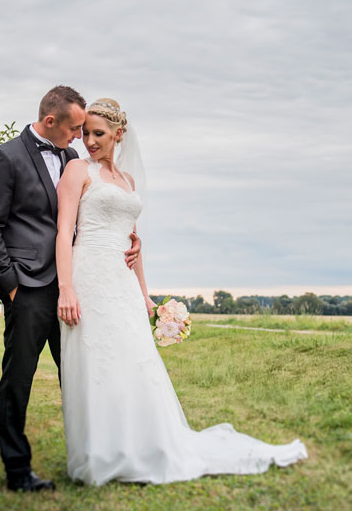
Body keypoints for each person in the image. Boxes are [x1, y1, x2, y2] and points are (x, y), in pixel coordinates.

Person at [55, 98, 307, 485]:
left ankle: (143, 445)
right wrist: (67, 288)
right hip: (89, 275)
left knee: (134, 360)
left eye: (98, 134)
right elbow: (64, 231)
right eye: (85, 132)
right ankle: (101, 453)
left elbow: (133, 243)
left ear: (119, 135)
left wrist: (145, 295)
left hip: (121, 282)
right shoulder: (76, 169)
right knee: (98, 361)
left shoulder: (128, 182)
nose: (88, 140)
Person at [0, 86, 141, 493]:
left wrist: (127, 242)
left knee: (83, 375)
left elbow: (80, 217)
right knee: (18, 380)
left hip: (77, 285)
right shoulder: (5, 158)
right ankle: (18, 471)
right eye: (75, 129)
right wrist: (11, 286)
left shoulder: (72, 160)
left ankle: (98, 454)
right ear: (51, 122)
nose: (81, 138)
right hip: (29, 289)